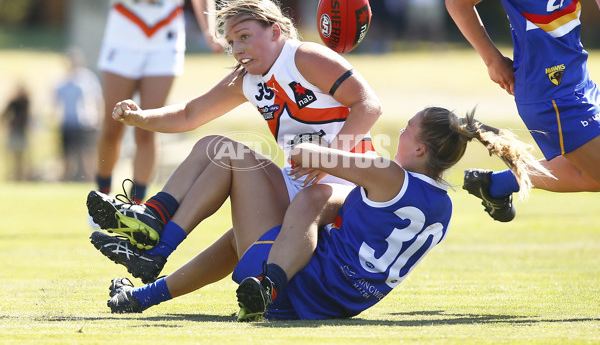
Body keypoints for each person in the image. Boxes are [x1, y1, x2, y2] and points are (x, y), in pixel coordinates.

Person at [101, 107, 552, 320]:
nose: (398, 135)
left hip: (299, 287)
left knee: (226, 152)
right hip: (337, 303)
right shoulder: (444, 206)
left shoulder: (388, 174)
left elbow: (305, 154)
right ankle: (147, 294)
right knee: (290, 217)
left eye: (407, 130)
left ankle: (159, 242)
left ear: (418, 148)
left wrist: (322, 140)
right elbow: (351, 215)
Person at [86, 0, 383, 288]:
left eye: (244, 36)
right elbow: (190, 114)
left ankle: (157, 248)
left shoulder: (305, 56)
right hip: (298, 188)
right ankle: (153, 217)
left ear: (274, 31)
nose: (237, 49)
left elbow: (369, 105)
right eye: (230, 43)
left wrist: (328, 159)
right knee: (211, 146)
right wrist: (141, 117)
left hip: (345, 192)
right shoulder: (246, 79)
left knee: (225, 154)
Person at [445, 0, 600, 222]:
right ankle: (498, 184)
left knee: (592, 176)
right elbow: (457, 1)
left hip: (579, 77)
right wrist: (492, 61)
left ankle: (496, 184)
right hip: (547, 92)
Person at [84, 0, 225, 202]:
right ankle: (102, 195)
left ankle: (136, 204)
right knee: (112, 126)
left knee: (148, 125)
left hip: (165, 40)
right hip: (123, 37)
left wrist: (209, 31)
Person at [54, 48, 103, 182]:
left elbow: (97, 100)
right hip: (68, 122)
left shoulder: (88, 79)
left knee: (87, 154)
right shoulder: (63, 81)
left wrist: (99, 118)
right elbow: (56, 101)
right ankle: (66, 180)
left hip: (86, 122)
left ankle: (92, 181)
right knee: (67, 155)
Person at [2, 83, 31, 181]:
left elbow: (27, 117)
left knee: (21, 157)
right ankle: (12, 177)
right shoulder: (13, 102)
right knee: (12, 156)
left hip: (21, 131)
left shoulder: (26, 102)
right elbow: (4, 115)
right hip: (14, 131)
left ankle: (20, 177)